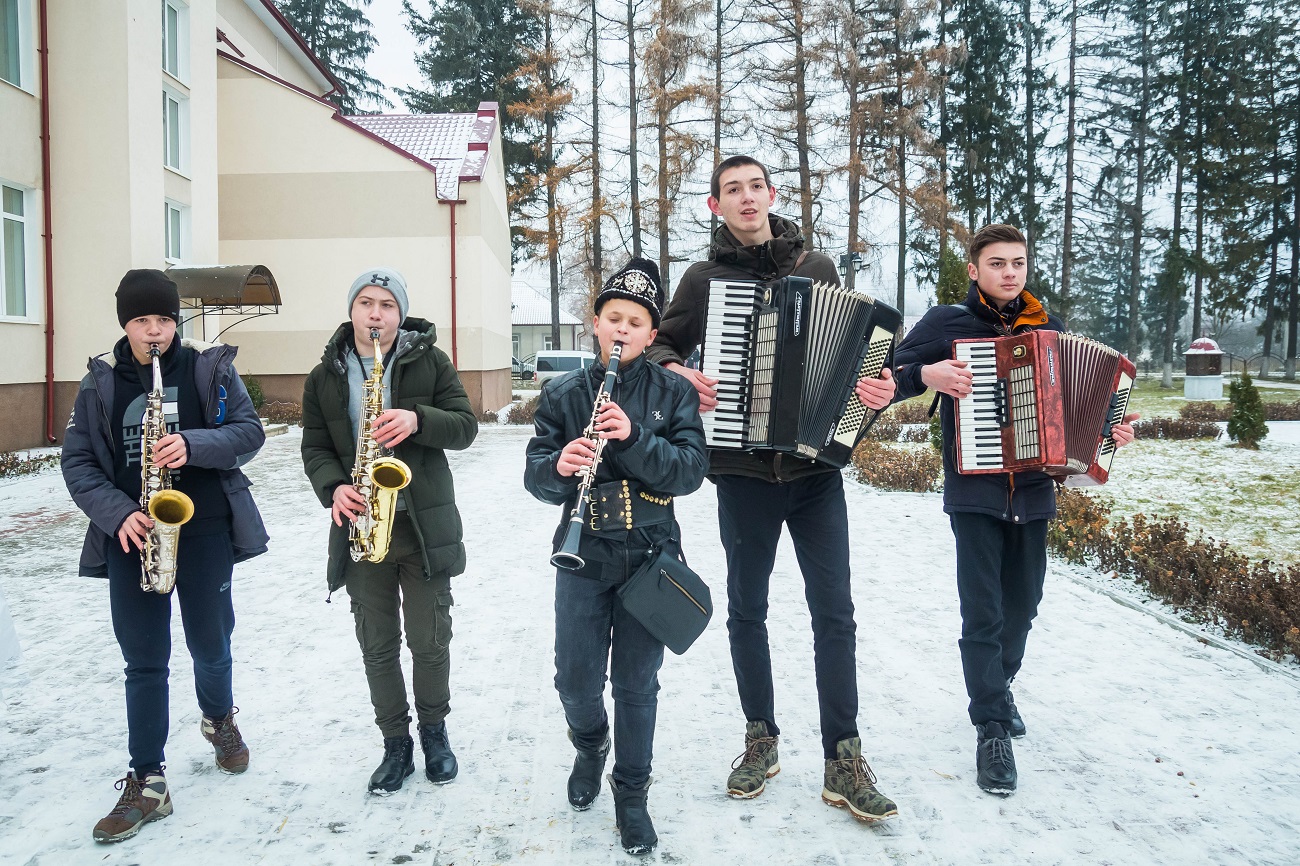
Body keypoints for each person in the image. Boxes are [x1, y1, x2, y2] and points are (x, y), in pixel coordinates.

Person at [643, 155, 899, 823]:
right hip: (742, 473)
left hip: (816, 474)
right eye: (733, 190)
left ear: (772, 194)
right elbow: (658, 347)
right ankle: (761, 740)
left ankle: (844, 758)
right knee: (747, 610)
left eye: (755, 186)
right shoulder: (703, 280)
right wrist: (680, 375)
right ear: (716, 206)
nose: (747, 198)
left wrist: (877, 390)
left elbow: (856, 368)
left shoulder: (817, 270)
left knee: (834, 613)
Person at [890, 224, 1138, 795]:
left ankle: (998, 687)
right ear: (973, 270)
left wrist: (1110, 434)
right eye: (997, 263)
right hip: (974, 493)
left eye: (1018, 263)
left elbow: (1082, 410)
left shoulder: (1047, 330)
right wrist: (927, 375)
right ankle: (992, 728)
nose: (1009, 272)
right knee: (984, 613)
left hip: (1033, 491)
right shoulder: (948, 324)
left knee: (1023, 607)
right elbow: (885, 376)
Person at [61, 269, 268, 843]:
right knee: (144, 659)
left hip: (203, 533)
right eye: (142, 321)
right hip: (133, 537)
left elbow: (250, 433)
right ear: (124, 323)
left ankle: (219, 718)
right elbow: (77, 465)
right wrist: (116, 512)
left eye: (165, 320)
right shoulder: (99, 384)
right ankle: (149, 780)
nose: (155, 332)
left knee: (210, 642)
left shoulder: (208, 369)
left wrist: (194, 444)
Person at [525, 258, 707, 855]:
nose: (623, 329)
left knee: (636, 683)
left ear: (652, 335)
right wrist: (558, 468)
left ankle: (632, 793)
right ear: (595, 326)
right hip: (583, 554)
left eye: (636, 321)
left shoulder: (674, 391)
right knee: (574, 680)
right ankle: (589, 745)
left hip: (649, 557)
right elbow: (536, 475)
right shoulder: (561, 393)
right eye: (613, 318)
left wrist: (633, 436)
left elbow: (690, 473)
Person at [301, 268, 477, 795]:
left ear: (400, 315)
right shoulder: (323, 376)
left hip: (424, 526)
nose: (375, 315)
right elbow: (314, 447)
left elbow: (466, 426)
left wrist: (418, 419)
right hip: (361, 525)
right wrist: (334, 487)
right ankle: (394, 743)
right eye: (365, 303)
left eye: (386, 306)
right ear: (351, 310)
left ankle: (434, 733)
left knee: (429, 641)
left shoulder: (432, 361)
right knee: (377, 646)